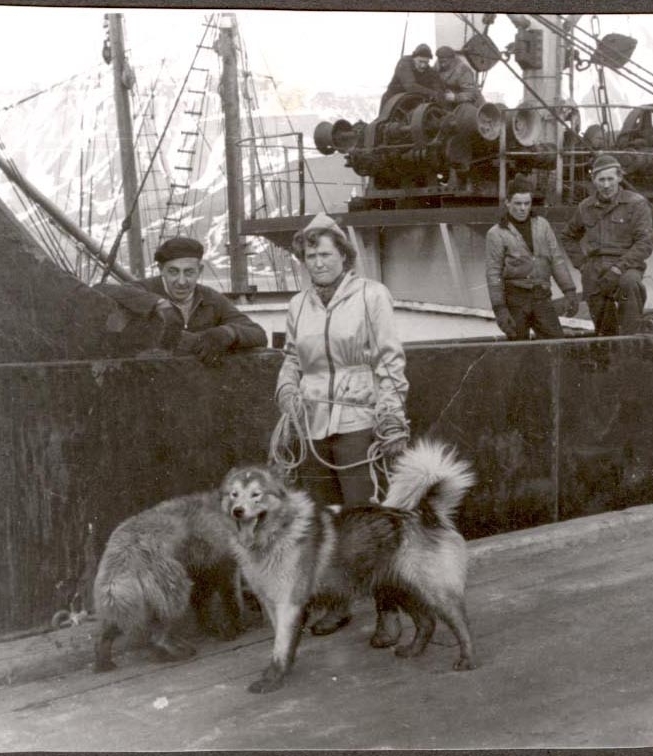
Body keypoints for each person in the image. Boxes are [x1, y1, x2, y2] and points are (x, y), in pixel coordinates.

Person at [273, 212, 410, 634]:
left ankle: (389, 611)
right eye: (310, 254)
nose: (318, 262)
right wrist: (287, 391)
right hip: (312, 425)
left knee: (368, 524)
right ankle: (338, 603)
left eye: (326, 253)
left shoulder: (372, 296)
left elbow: (389, 360)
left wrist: (390, 415)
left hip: (357, 421)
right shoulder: (299, 304)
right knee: (323, 525)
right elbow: (292, 359)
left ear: (344, 256)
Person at [96, 236, 268, 363]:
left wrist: (227, 333)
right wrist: (158, 304)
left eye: (189, 272)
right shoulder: (143, 289)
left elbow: (257, 333)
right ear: (161, 269)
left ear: (199, 270)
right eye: (173, 272)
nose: (181, 281)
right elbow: (101, 290)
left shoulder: (211, 299)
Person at [561, 153, 653, 336]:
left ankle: (631, 344)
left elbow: (645, 243)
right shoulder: (585, 207)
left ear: (620, 177)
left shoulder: (636, 204)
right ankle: (605, 351)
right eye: (601, 179)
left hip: (626, 267)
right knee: (604, 330)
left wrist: (618, 269)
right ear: (593, 180)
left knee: (630, 285)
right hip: (595, 270)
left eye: (610, 179)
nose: (606, 185)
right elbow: (567, 236)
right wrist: (582, 265)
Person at [485, 175, 580, 340]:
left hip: (541, 297)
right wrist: (500, 309)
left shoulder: (542, 225)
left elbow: (556, 260)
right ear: (507, 203)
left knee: (557, 344)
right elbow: (493, 274)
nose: (522, 208)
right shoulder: (496, 234)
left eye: (526, 203)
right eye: (517, 203)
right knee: (518, 350)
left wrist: (569, 291)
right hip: (515, 300)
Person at [380, 43, 444, 114]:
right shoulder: (404, 63)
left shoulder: (429, 71)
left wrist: (439, 93)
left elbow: (437, 85)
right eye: (420, 61)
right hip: (393, 102)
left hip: (412, 103)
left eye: (426, 62)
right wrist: (433, 93)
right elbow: (410, 86)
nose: (423, 65)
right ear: (414, 58)